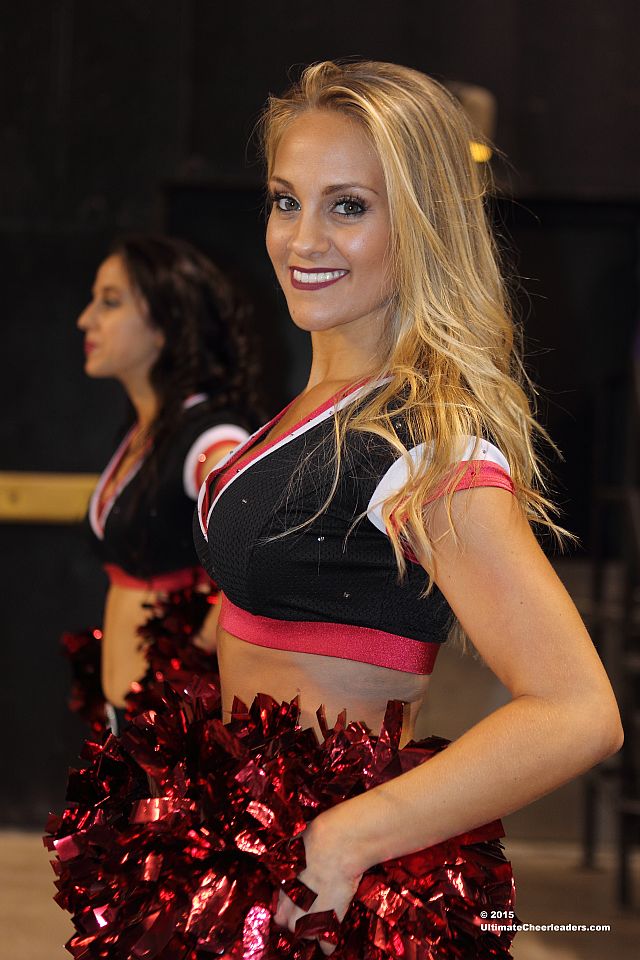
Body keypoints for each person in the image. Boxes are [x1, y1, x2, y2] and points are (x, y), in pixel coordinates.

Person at [47, 63, 622, 959]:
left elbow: (577, 710)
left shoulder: (424, 439)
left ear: (424, 223)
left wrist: (346, 840)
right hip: (234, 854)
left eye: (348, 206)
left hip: (323, 900)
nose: (302, 238)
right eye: (286, 201)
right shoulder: (312, 408)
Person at [67, 235, 256, 732]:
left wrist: (199, 649)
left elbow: (260, 547)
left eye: (110, 302)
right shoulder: (143, 432)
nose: (86, 319)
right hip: (125, 721)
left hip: (174, 731)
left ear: (166, 326)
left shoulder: (211, 437)